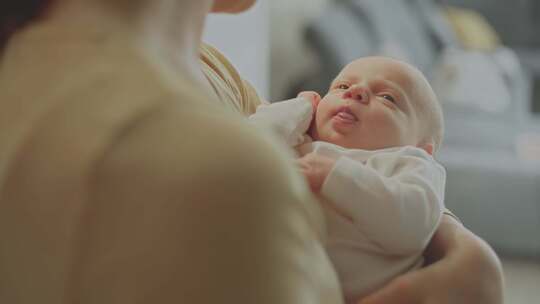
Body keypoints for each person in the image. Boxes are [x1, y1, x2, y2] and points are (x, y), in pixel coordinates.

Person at [0, 1, 503, 304]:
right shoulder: (214, 169)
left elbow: (357, 160)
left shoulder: (207, 71)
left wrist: (459, 245)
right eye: (343, 84)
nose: (350, 95)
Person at [250, 56, 446, 302]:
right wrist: (297, 108)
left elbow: (414, 226)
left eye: (387, 97)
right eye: (342, 87)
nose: (356, 91)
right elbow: (246, 151)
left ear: (422, 148)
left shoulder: (408, 162)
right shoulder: (298, 141)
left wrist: (337, 175)